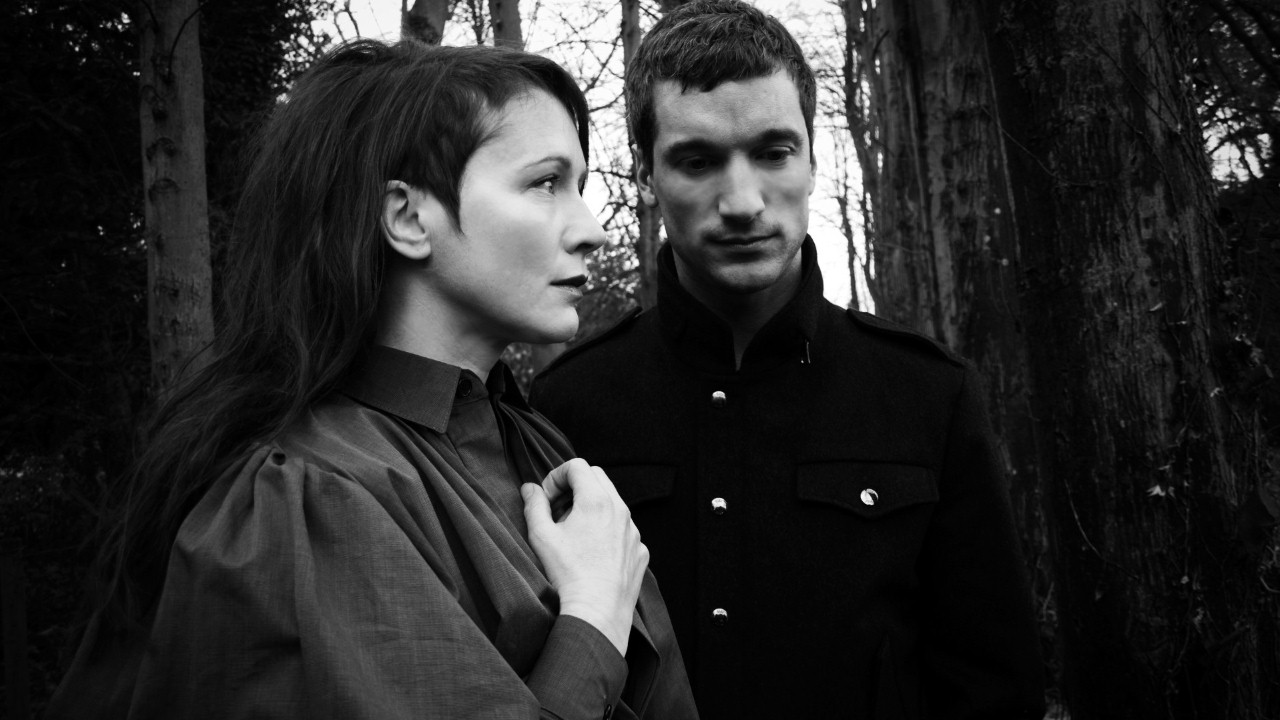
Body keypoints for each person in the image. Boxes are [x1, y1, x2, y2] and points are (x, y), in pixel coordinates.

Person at [47, 39, 696, 720]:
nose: (592, 230)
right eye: (544, 183)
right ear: (408, 218)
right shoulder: (300, 501)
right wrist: (592, 622)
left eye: (580, 188)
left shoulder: (539, 445)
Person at [530, 2, 1046, 718]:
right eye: (698, 160)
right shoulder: (566, 406)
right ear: (646, 174)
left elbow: (994, 688)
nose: (743, 202)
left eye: (773, 153)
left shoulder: (929, 395)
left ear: (811, 160)